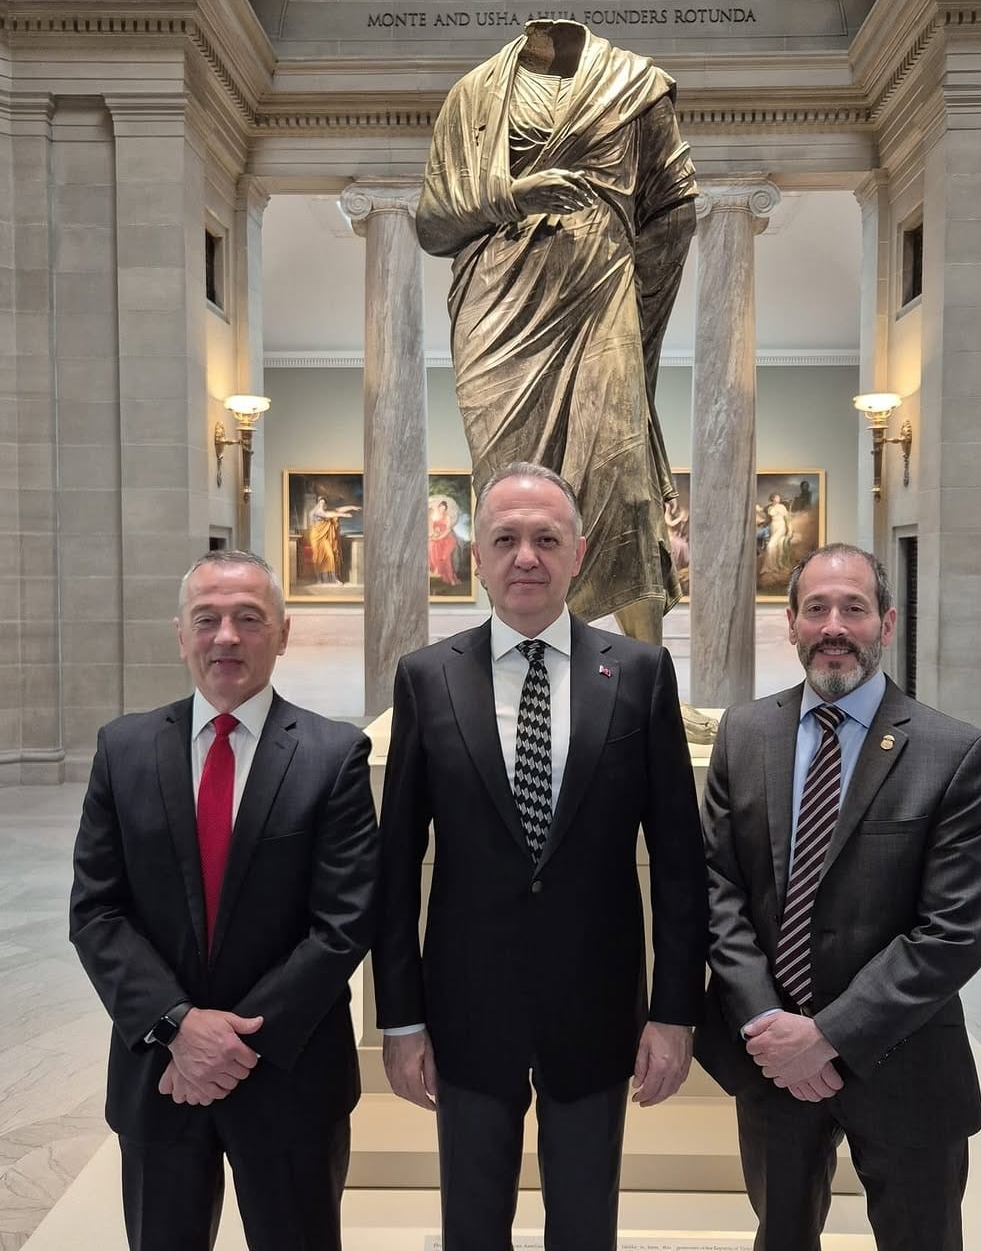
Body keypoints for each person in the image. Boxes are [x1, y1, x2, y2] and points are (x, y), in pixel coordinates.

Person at [374, 462, 706, 1251]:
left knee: (586, 1227)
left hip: (596, 1009)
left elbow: (680, 864)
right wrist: (401, 1019)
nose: (526, 556)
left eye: (547, 539)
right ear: (478, 557)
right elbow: (394, 872)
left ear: (578, 553)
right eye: (506, 539)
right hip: (465, 1011)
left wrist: (674, 1013)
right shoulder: (426, 680)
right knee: (472, 1228)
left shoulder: (640, 675)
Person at [70, 550, 378, 1251]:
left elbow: (343, 922)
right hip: (161, 1072)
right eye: (206, 619)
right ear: (180, 633)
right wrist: (178, 1026)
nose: (226, 637)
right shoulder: (123, 750)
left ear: (283, 633)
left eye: (249, 618)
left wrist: (231, 1046)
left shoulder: (333, 755)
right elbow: (97, 910)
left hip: (291, 1075)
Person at [694, 543, 981, 1251]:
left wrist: (828, 1035)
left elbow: (953, 931)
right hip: (771, 1061)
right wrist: (767, 1021)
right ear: (792, 624)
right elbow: (718, 887)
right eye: (816, 609)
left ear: (885, 623)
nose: (834, 626)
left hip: (904, 1060)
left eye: (853, 608)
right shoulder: (745, 735)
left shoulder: (952, 752)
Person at [416, 18, 698, 647]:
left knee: (624, 484)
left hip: (601, 297)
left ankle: (646, 674)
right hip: (500, 311)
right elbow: (433, 224)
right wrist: (513, 196)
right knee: (508, 497)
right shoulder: (472, 94)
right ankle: (521, 665)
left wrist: (634, 293)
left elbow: (673, 205)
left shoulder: (636, 85)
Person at [307, 495, 360, 584]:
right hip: (316, 538)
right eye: (321, 503)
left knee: (330, 556)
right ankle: (319, 578)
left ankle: (334, 578)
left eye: (324, 503)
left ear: (326, 504)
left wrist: (352, 507)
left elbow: (338, 510)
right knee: (318, 557)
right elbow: (327, 515)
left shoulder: (326, 511)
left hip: (324, 538)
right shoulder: (315, 512)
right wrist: (343, 515)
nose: (322, 505)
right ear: (318, 503)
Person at [428, 495, 460, 588]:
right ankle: (436, 571)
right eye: (440, 507)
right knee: (431, 546)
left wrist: (439, 537)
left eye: (443, 508)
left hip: (446, 539)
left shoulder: (447, 517)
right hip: (437, 537)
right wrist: (433, 535)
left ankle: (450, 578)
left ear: (445, 509)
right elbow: (432, 527)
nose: (441, 509)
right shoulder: (434, 515)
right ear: (438, 507)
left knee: (445, 557)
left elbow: (447, 530)